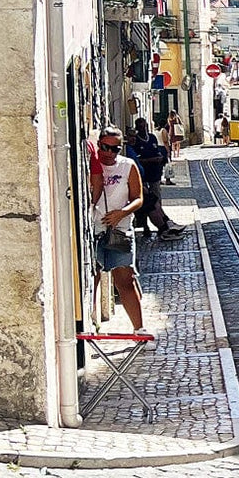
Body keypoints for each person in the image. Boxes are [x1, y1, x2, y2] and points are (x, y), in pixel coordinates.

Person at [91, 126, 147, 333]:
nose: (109, 153)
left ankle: (139, 329)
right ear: (99, 144)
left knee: (125, 280)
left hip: (120, 230)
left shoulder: (127, 166)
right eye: (105, 147)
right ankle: (91, 323)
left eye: (115, 149)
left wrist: (121, 213)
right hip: (94, 229)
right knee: (92, 278)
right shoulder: (90, 164)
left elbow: (138, 198)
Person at [125, 118, 184, 241]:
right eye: (130, 136)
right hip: (140, 181)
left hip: (152, 175)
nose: (133, 138)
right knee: (151, 205)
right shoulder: (128, 150)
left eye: (144, 126)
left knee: (155, 202)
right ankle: (162, 229)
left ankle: (167, 225)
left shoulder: (151, 138)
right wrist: (151, 160)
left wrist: (161, 158)